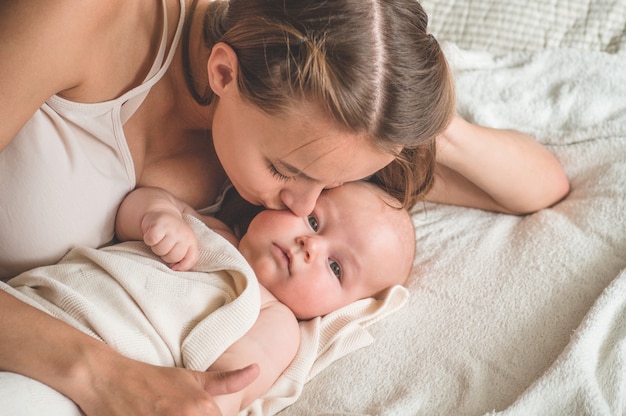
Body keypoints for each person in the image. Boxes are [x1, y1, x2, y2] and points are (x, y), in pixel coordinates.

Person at [0, 0, 569, 414]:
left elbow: (540, 186)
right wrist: (103, 377)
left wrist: (399, 108)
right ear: (224, 72)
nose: (302, 206)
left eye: (330, 186)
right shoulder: (82, 16)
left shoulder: (312, 145)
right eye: (286, 172)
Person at [2, 181, 414, 416]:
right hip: (30, 311)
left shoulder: (274, 319)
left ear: (338, 310)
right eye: (314, 220)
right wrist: (158, 217)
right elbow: (134, 208)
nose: (311, 245)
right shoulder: (208, 225)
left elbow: (226, 387)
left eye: (336, 268)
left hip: (86, 390)